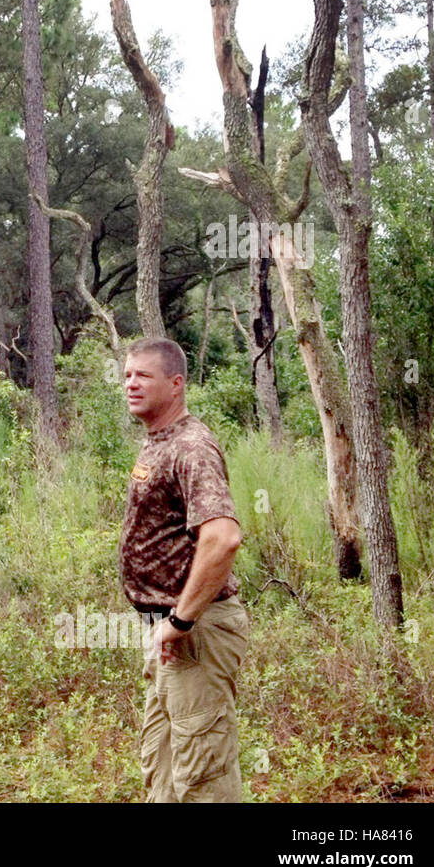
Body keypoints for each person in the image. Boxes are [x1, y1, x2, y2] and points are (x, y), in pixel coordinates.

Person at [119, 337, 249, 802]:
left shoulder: (191, 447)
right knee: (164, 770)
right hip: (169, 633)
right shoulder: (159, 443)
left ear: (175, 385)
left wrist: (179, 621)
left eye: (143, 376)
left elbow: (223, 538)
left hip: (195, 631)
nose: (131, 383)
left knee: (202, 779)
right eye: (128, 374)